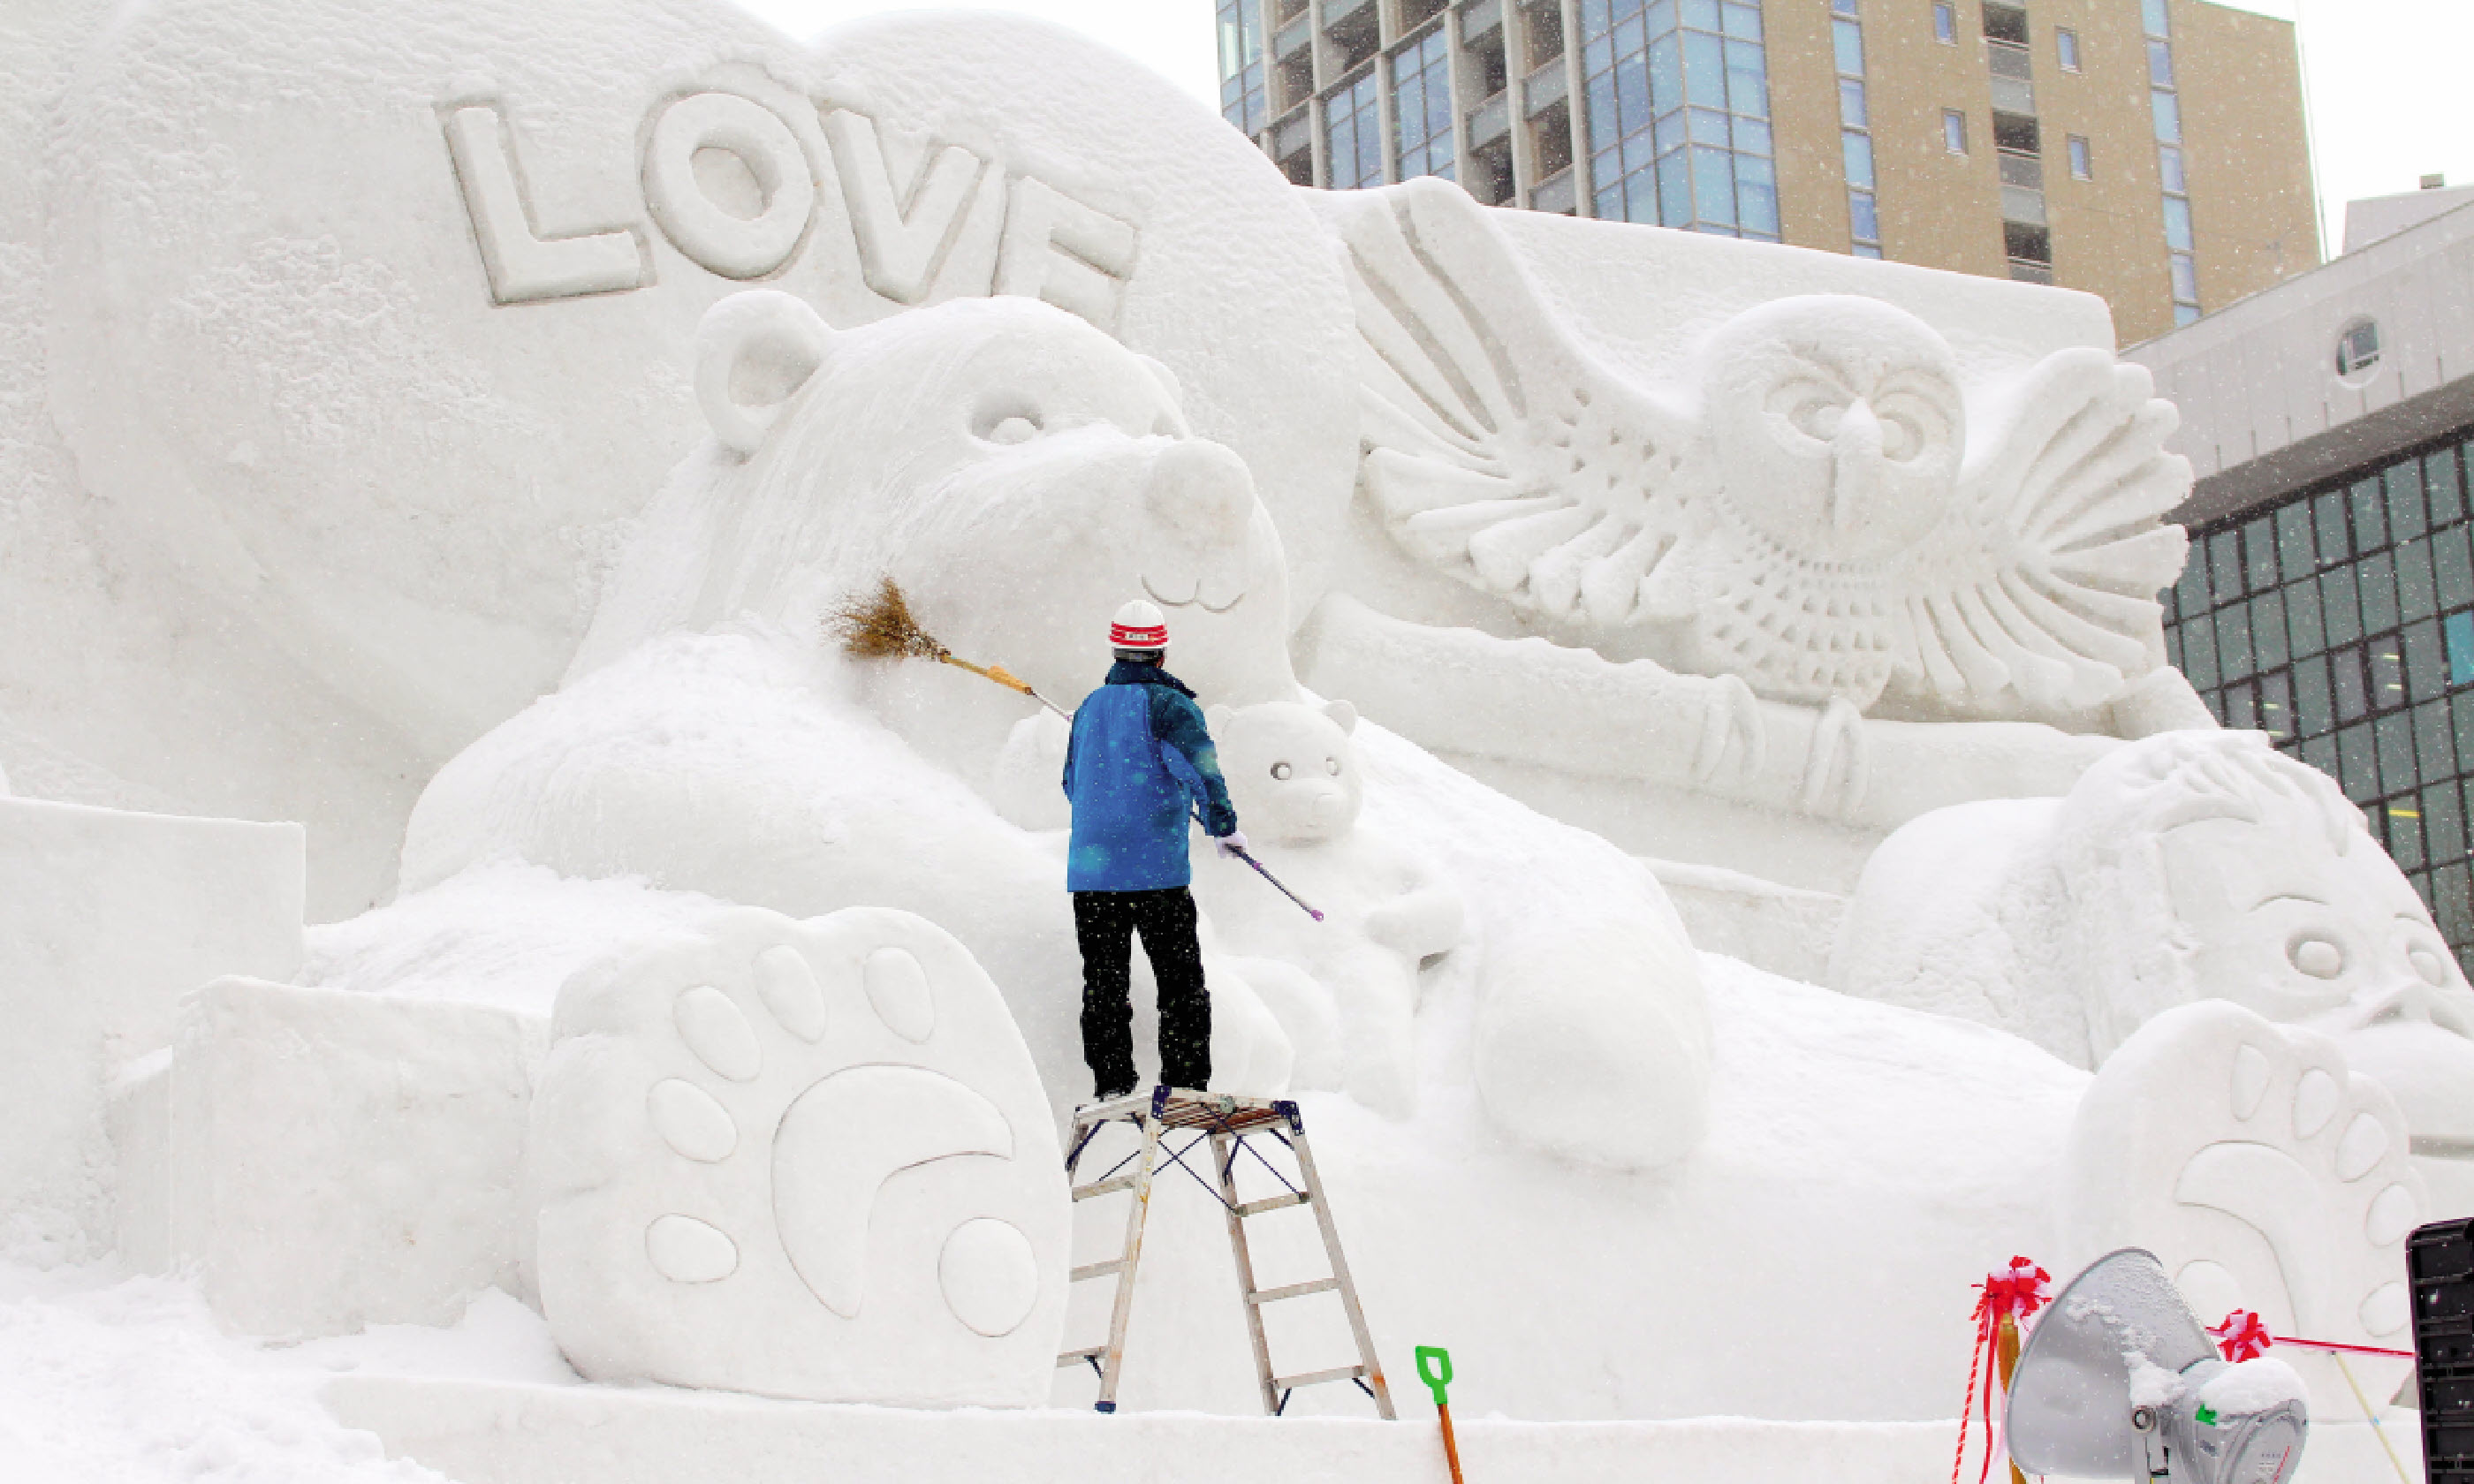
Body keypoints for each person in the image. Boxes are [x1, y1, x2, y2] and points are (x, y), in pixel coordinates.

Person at [1061, 599, 1246, 1101]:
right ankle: (1185, 1086)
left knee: (1104, 985)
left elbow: (1072, 785)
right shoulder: (1171, 706)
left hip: (1094, 875)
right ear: (1161, 651)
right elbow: (1201, 770)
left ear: (1116, 648)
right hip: (1155, 873)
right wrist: (1222, 826)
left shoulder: (1088, 708)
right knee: (1180, 982)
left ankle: (1112, 1084)